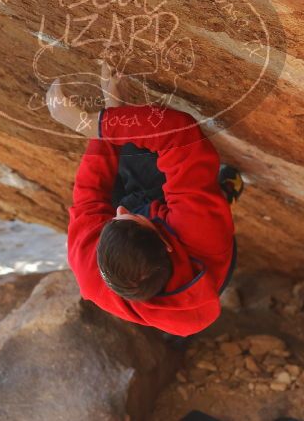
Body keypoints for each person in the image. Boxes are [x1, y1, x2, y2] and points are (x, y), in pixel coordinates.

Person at [46, 64, 242, 337]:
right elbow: (181, 137)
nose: (121, 209)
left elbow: (89, 196)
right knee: (190, 194)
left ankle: (195, 195)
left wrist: (112, 116)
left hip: (166, 242)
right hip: (203, 261)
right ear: (165, 242)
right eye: (131, 217)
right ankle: (223, 192)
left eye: (114, 220)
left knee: (122, 167)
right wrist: (90, 122)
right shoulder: (202, 235)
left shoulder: (88, 267)